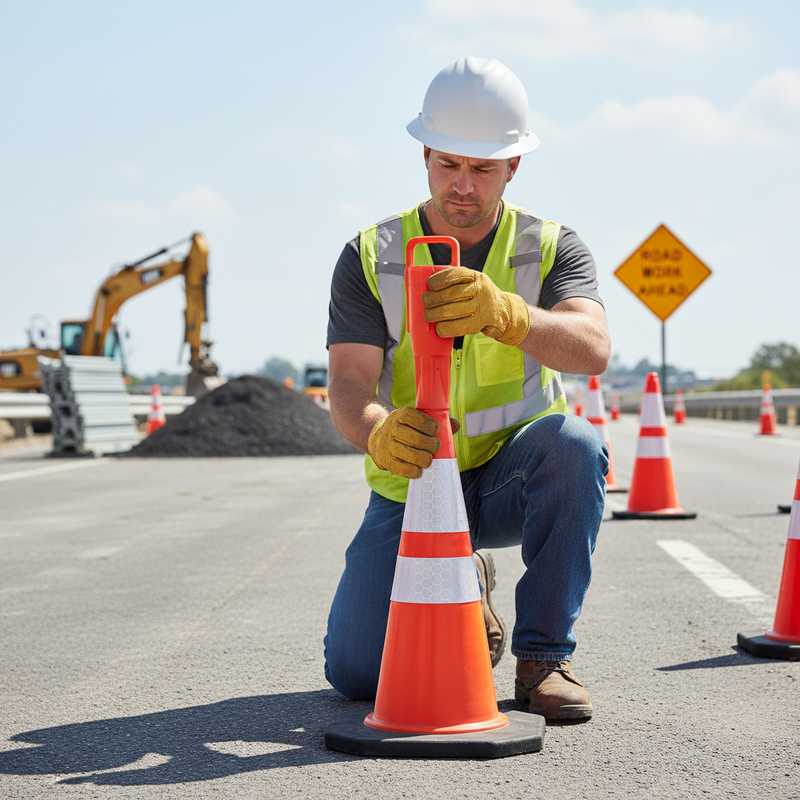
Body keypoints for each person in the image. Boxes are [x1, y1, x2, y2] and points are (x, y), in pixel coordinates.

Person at [323, 56, 610, 721]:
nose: (462, 185)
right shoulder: (373, 253)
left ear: (513, 167)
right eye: (448, 164)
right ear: (424, 153)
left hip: (511, 477)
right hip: (415, 478)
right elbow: (348, 381)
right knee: (360, 673)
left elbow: (592, 348)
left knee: (575, 444)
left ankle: (543, 658)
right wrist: (375, 430)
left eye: (482, 169)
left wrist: (507, 313)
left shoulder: (549, 245)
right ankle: (466, 581)